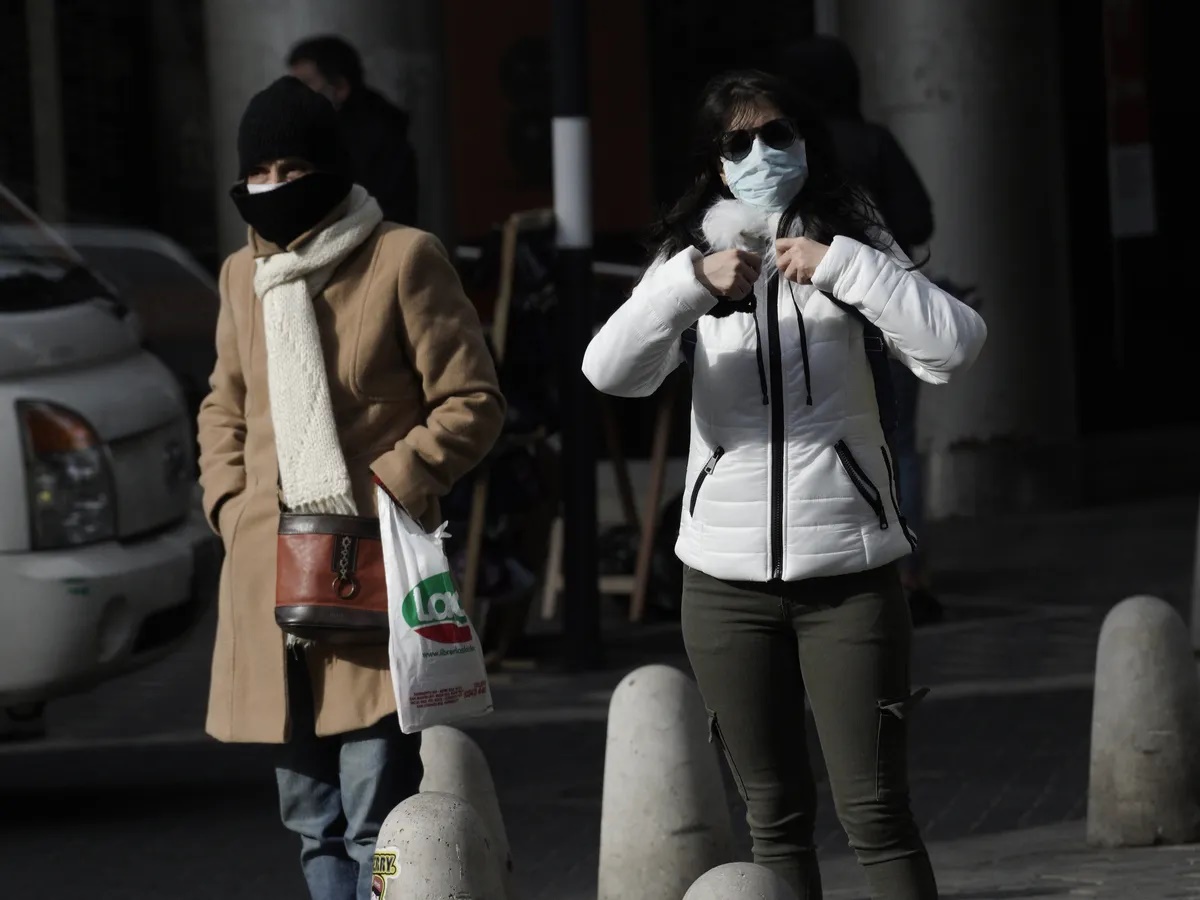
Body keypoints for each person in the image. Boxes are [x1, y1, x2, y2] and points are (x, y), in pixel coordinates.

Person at [582, 70, 986, 899]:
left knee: (876, 814)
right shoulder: (691, 253)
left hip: (850, 575)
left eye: (776, 134)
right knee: (772, 819)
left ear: (805, 141)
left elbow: (954, 347)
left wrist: (843, 266)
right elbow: (608, 371)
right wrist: (691, 285)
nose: (760, 153)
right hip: (723, 585)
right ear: (716, 162)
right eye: (738, 142)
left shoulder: (851, 231)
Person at [197, 76, 504, 900]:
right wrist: (229, 506)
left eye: (290, 167)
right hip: (272, 587)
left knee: (381, 822)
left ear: (329, 168)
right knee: (311, 824)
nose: (271, 189)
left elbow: (474, 401)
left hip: (366, 577)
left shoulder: (404, 256)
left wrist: (390, 487)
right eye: (256, 174)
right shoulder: (240, 277)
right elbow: (223, 404)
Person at [779, 35, 943, 624]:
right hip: (881, 315)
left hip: (806, 327)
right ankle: (907, 567)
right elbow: (921, 218)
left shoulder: (789, 155)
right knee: (899, 441)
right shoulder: (872, 142)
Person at [288, 35, 420, 226]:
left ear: (340, 87)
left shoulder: (381, 140)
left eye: (306, 83)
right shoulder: (308, 133)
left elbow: (390, 217)